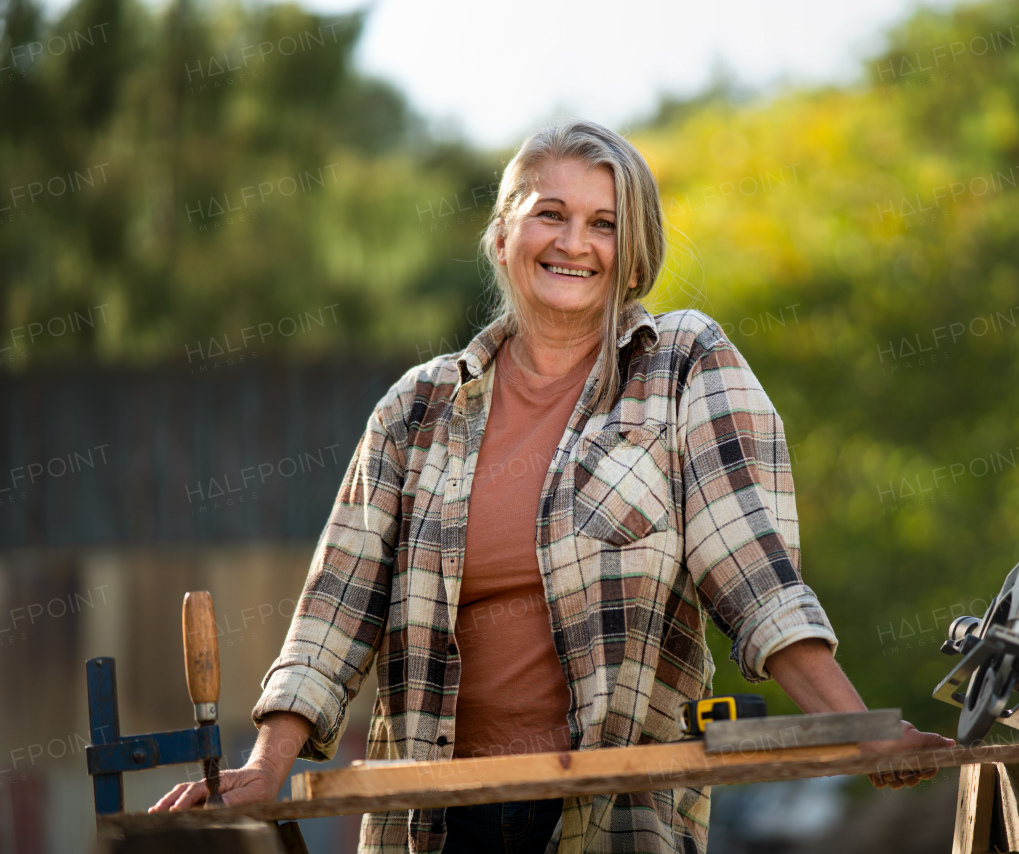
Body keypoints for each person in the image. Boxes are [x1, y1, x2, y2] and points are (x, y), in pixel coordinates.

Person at [151, 119, 954, 853]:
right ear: (502, 235)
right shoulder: (418, 406)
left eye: (604, 223)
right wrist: (263, 768)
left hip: (612, 813)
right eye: (550, 214)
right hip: (433, 816)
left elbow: (753, 574)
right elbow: (336, 606)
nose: (576, 242)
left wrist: (858, 729)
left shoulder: (680, 366)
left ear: (633, 252)